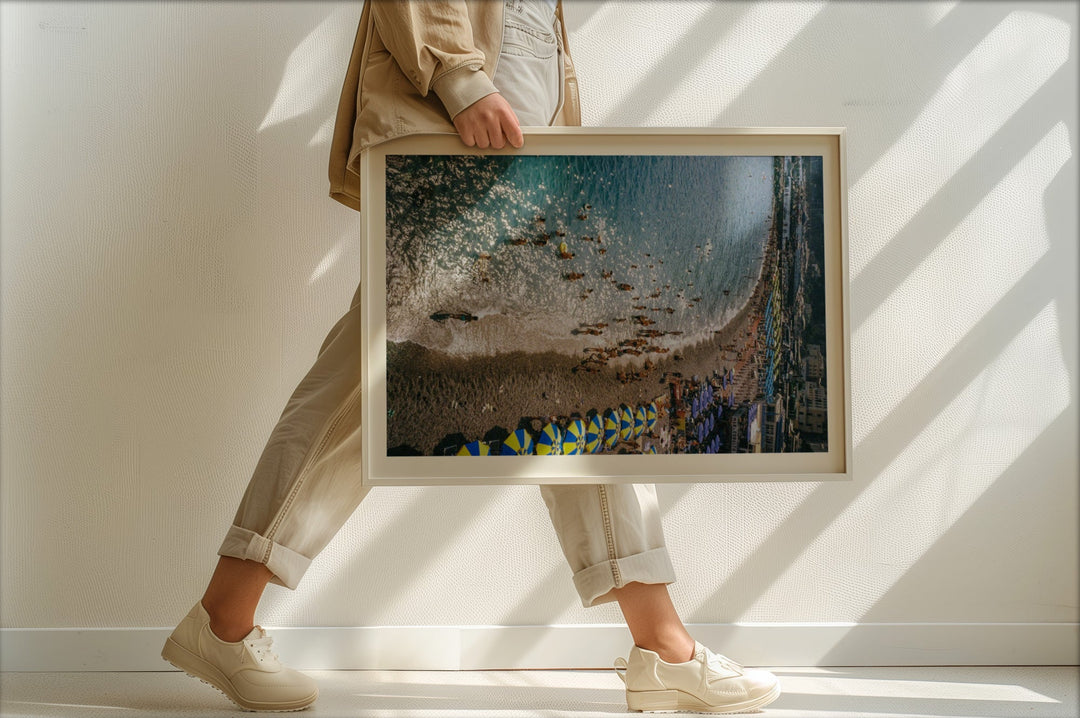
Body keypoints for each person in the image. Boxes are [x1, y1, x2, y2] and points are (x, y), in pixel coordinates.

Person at [160, 1, 781, 714]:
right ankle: (663, 649)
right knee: (459, 383)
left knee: (567, 382)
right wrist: (463, 82)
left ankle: (224, 617)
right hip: (455, 143)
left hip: (511, 159)